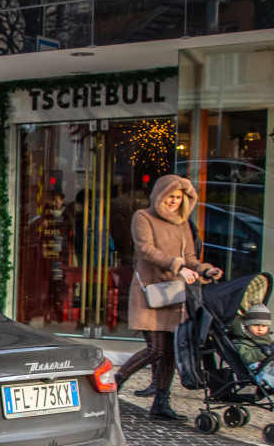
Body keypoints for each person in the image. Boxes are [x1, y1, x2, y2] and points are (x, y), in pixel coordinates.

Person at [113, 175, 222, 420]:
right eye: (170, 196)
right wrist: (178, 266)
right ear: (160, 195)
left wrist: (204, 269)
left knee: (171, 350)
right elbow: (146, 250)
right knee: (155, 349)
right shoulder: (143, 216)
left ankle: (161, 401)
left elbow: (191, 257)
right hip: (151, 292)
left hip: (174, 293)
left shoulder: (182, 222)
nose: (174, 202)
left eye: (178, 198)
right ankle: (114, 383)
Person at [233, 303, 273, 387]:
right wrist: (267, 351)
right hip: (259, 370)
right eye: (256, 325)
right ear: (247, 325)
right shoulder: (240, 340)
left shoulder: (266, 339)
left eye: (264, 326)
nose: (260, 329)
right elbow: (246, 357)